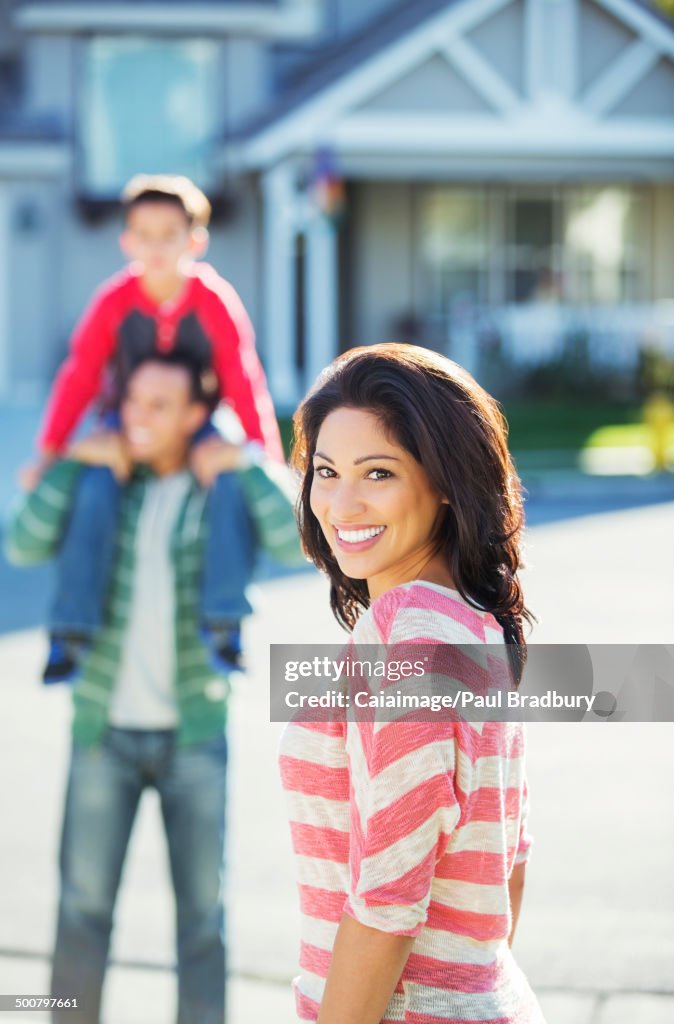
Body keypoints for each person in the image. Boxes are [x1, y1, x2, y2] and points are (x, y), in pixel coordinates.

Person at [5, 350, 300, 1024]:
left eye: (159, 406)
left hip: (195, 736)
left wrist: (248, 463)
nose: (139, 419)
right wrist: (75, 459)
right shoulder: (103, 489)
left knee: (203, 921)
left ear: (197, 415)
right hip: (100, 731)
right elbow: (21, 544)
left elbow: (294, 544)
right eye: (133, 402)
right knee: (81, 911)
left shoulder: (218, 491)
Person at [280, 343, 546, 1023]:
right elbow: (507, 861)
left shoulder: (407, 637)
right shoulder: (474, 624)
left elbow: (386, 906)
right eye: (327, 471)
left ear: (448, 479)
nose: (341, 503)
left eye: (378, 473)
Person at [23, 173, 283, 682]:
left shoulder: (213, 300)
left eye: (170, 234)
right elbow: (80, 372)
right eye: (145, 234)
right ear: (127, 240)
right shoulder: (114, 301)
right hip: (127, 420)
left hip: (196, 419)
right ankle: (70, 629)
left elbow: (241, 374)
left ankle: (224, 622)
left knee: (227, 481)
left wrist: (259, 450)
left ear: (195, 240)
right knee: (95, 485)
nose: (157, 247)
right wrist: (51, 451)